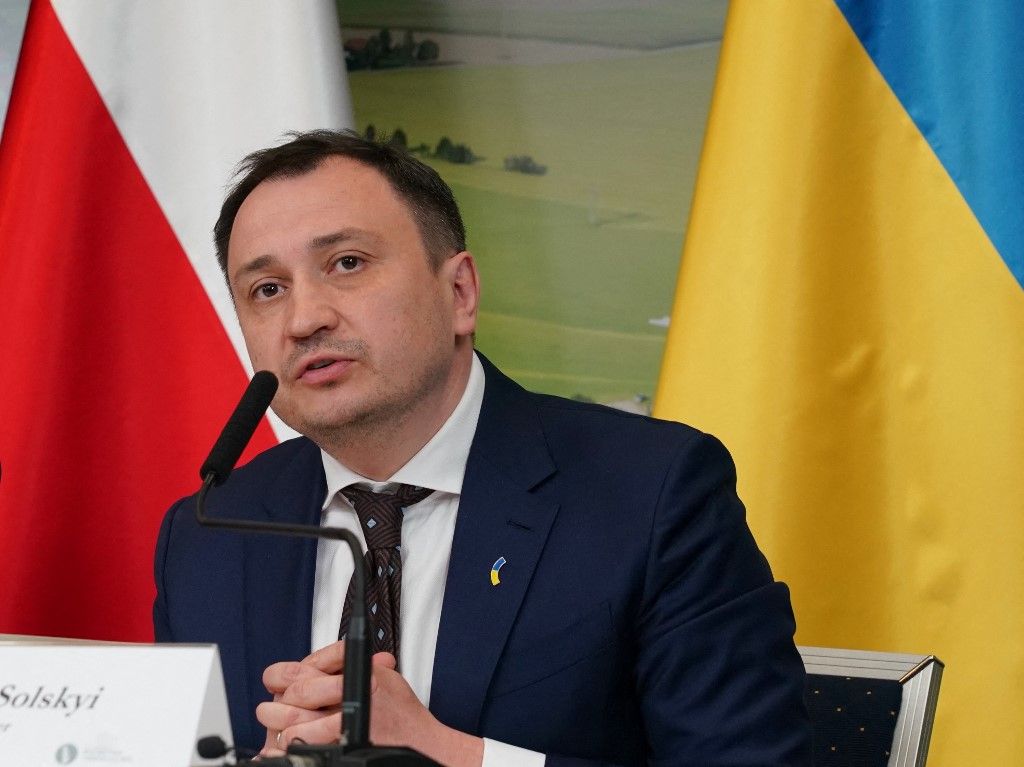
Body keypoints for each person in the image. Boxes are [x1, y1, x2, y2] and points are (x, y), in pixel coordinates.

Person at [154, 129, 812, 766]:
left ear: (460, 292)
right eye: (268, 290)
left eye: (346, 264)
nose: (305, 319)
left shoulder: (653, 496)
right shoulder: (210, 533)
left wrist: (451, 755)